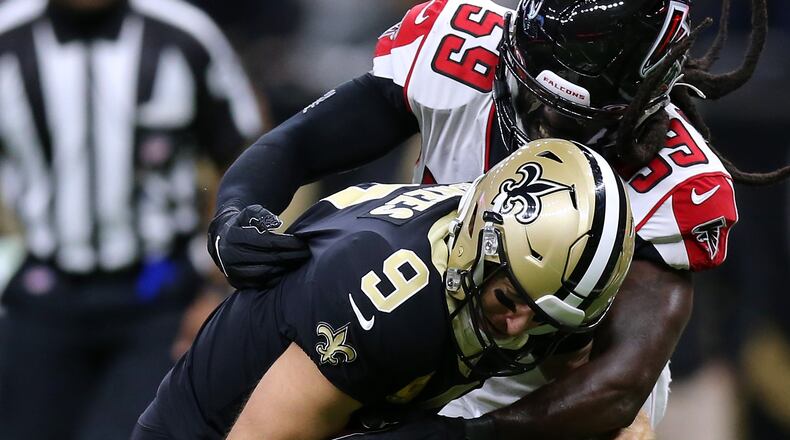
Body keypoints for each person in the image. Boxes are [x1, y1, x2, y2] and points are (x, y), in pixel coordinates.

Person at [206, 0, 790, 438]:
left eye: (568, 118)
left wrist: (465, 435)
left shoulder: (676, 184)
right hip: (411, 316)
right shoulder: (461, 50)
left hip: (540, 386)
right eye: (530, 93)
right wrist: (234, 212)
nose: (539, 119)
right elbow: (299, 145)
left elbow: (618, 384)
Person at [133, 139, 636, 440]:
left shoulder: (548, 281)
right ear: (474, 246)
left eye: (545, 320)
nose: (518, 326)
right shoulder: (392, 300)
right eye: (508, 299)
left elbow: (584, 389)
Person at [0, 0, 262, 438]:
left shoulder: (182, 33)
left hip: (157, 288)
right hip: (43, 288)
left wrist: (220, 288)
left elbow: (249, 159)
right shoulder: (9, 38)